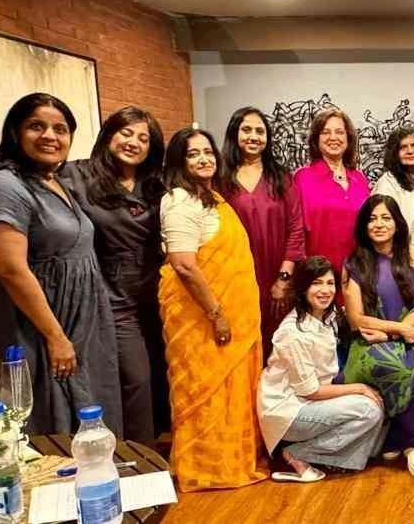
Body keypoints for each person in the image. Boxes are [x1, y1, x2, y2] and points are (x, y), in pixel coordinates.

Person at [0, 93, 122, 435]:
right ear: (16, 132)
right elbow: (10, 269)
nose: (50, 136)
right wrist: (56, 337)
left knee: (86, 410)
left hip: (76, 319)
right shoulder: (5, 185)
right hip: (37, 324)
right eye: (36, 126)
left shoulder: (52, 180)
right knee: (44, 415)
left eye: (60, 129)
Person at [159, 127, 266, 490]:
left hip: (231, 313)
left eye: (207, 152)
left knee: (233, 389)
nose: (204, 159)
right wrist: (216, 314)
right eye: (193, 154)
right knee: (207, 389)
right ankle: (206, 468)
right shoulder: (180, 201)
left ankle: (233, 460)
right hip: (201, 317)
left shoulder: (211, 197)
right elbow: (184, 265)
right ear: (179, 162)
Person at [58, 106, 168, 442]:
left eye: (143, 138)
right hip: (113, 295)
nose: (133, 142)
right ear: (109, 134)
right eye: (126, 132)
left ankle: (157, 443)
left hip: (157, 293)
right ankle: (137, 454)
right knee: (136, 378)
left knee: (161, 374)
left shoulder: (155, 184)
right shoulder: (77, 176)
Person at [342, 195, 414, 481]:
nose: (379, 224)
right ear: (364, 226)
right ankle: (406, 436)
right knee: (389, 367)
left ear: (397, 222)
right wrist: (395, 331)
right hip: (372, 335)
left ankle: (410, 441)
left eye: (385, 218)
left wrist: (397, 331)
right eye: (372, 219)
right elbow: (356, 319)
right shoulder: (354, 263)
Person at [259, 256, 386, 483]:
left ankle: (333, 458)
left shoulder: (328, 315)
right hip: (288, 411)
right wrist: (359, 388)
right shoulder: (293, 332)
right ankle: (295, 454)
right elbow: (310, 391)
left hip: (312, 401)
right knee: (368, 409)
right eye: (316, 283)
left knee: (381, 403)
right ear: (302, 288)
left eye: (330, 283)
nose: (325, 290)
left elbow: (357, 322)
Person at [220, 106, 306, 358]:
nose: (253, 136)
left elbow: (296, 228)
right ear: (234, 133)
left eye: (260, 131)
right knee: (241, 346)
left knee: (276, 346)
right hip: (234, 277)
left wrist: (283, 278)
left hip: (275, 277)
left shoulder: (281, 177)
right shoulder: (220, 178)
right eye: (246, 130)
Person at [293, 108, 370, 279]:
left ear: (348, 138)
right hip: (317, 278)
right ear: (316, 139)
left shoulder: (360, 179)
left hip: (357, 277)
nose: (333, 137)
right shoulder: (303, 178)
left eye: (339, 132)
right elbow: (294, 230)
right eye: (325, 132)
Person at [371, 127, 414, 253]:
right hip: (400, 254)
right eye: (403, 147)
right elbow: (385, 227)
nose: (410, 151)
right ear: (394, 153)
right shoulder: (387, 183)